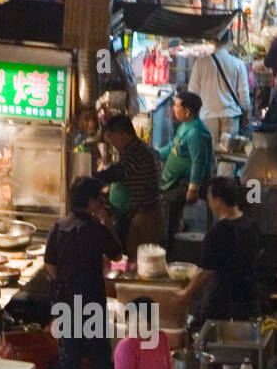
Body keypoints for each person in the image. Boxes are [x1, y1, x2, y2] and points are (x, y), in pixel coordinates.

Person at [44, 175, 121, 369]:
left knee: (69, 356)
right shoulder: (96, 229)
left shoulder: (59, 226)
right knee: (100, 355)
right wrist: (106, 219)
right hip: (90, 299)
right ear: (91, 201)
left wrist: (60, 284)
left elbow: (49, 263)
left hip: (65, 300)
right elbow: (117, 254)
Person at [176, 176, 259, 321]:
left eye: (209, 197)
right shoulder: (251, 225)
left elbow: (205, 272)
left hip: (222, 303)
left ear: (219, 201)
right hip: (248, 298)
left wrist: (186, 293)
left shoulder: (218, 232)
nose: (209, 202)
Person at [98, 113, 163, 260]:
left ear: (122, 134)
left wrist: (91, 179)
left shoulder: (136, 152)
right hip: (141, 214)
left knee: (140, 261)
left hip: (145, 217)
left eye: (111, 136)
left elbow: (116, 173)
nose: (111, 141)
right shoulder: (136, 149)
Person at [159, 90, 214, 253]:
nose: (174, 109)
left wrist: (193, 189)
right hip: (175, 179)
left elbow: (199, 163)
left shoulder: (197, 133)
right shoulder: (185, 126)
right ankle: (177, 230)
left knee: (170, 204)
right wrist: (154, 154)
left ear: (187, 111)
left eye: (176, 106)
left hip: (187, 182)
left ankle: (170, 250)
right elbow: (172, 147)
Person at [188, 37, 251, 143]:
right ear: (230, 41)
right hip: (231, 115)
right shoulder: (238, 64)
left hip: (208, 115)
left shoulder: (201, 62)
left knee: (210, 153)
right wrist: (247, 111)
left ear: (213, 41)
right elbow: (244, 94)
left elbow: (192, 91)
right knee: (228, 154)